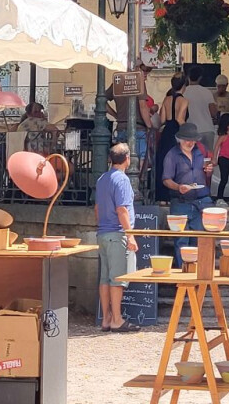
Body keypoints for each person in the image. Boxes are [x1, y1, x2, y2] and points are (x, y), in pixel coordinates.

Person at [95, 142, 140, 333]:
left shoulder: (102, 179)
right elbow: (122, 209)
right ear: (127, 159)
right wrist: (130, 236)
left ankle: (106, 318)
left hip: (103, 233)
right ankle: (117, 319)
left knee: (104, 278)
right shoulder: (122, 180)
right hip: (117, 233)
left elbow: (97, 208)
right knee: (117, 279)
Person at [162, 123, 214, 266]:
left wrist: (209, 171)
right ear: (179, 139)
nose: (190, 143)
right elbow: (166, 180)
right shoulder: (172, 155)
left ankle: (197, 275)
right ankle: (183, 276)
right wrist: (179, 187)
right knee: (181, 241)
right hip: (180, 202)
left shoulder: (199, 153)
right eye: (186, 140)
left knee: (198, 239)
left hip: (200, 202)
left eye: (192, 140)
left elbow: (204, 174)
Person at [155, 73, 189, 204]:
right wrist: (189, 131)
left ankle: (162, 196)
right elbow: (180, 119)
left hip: (166, 133)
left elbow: (162, 119)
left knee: (163, 163)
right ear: (184, 85)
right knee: (178, 164)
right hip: (177, 133)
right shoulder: (184, 101)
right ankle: (175, 195)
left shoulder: (166, 99)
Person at [183, 65, 217, 152]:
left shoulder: (184, 93)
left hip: (192, 131)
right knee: (208, 158)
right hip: (208, 130)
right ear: (200, 78)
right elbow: (213, 112)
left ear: (187, 77)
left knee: (193, 158)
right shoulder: (207, 92)